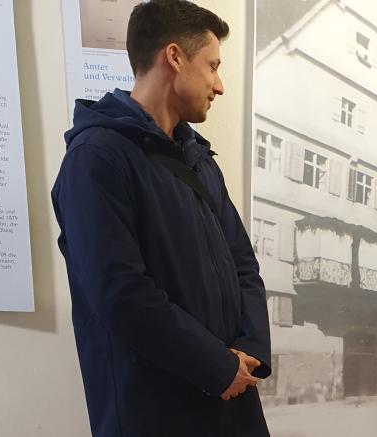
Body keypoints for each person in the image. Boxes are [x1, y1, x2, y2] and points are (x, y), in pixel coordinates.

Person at [51, 1, 271, 436]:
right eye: (212, 66)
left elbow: (243, 264)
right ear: (174, 57)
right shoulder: (96, 158)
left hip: (230, 396)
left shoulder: (199, 159)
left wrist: (247, 351)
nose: (219, 85)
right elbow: (120, 292)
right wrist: (215, 366)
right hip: (153, 409)